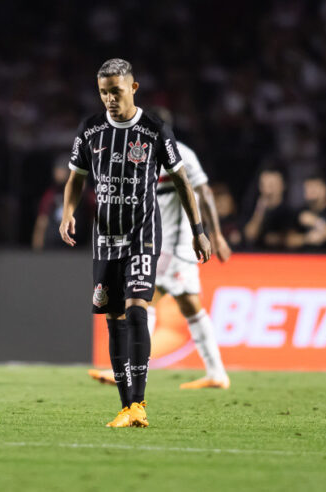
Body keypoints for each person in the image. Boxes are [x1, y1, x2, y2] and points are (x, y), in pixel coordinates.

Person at [60, 59, 211, 428]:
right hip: (105, 239)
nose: (110, 98)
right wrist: (68, 213)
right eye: (103, 92)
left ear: (133, 88)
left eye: (116, 90)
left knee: (138, 309)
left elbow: (183, 182)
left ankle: (140, 403)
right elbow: (75, 178)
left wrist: (199, 229)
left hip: (142, 235)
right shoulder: (91, 129)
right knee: (113, 319)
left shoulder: (154, 130)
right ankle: (127, 407)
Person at [88, 107, 231, 390]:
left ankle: (128, 369)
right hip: (158, 241)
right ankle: (216, 373)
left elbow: (203, 192)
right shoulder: (141, 153)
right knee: (190, 305)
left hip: (176, 244)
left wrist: (216, 234)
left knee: (144, 299)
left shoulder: (183, 155)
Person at [286, 174, 326, 251]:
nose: (311, 191)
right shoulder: (300, 212)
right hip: (305, 258)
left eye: (315, 187)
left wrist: (316, 222)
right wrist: (307, 238)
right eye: (308, 188)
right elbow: (289, 240)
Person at [243, 167, 293, 249]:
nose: (268, 191)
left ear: (283, 185)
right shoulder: (252, 208)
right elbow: (250, 236)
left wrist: (279, 239)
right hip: (257, 256)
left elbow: (292, 239)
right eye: (264, 185)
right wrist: (260, 210)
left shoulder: (289, 211)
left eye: (272, 185)